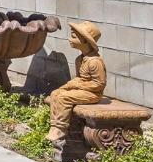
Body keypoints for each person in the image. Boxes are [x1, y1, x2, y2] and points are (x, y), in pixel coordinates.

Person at [46, 21, 107, 154]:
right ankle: (55, 125)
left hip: (92, 94)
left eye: (74, 36)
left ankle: (59, 129)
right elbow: (79, 78)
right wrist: (68, 85)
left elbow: (99, 84)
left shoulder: (94, 62)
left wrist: (76, 84)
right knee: (56, 93)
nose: (70, 39)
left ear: (85, 41)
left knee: (63, 98)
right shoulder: (80, 59)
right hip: (82, 91)